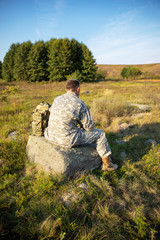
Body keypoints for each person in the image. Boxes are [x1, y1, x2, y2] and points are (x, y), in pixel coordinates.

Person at [44, 79, 118, 171]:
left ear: (66, 89)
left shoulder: (57, 99)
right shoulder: (79, 103)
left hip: (50, 135)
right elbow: (90, 127)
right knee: (100, 134)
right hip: (66, 140)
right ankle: (107, 164)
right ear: (78, 89)